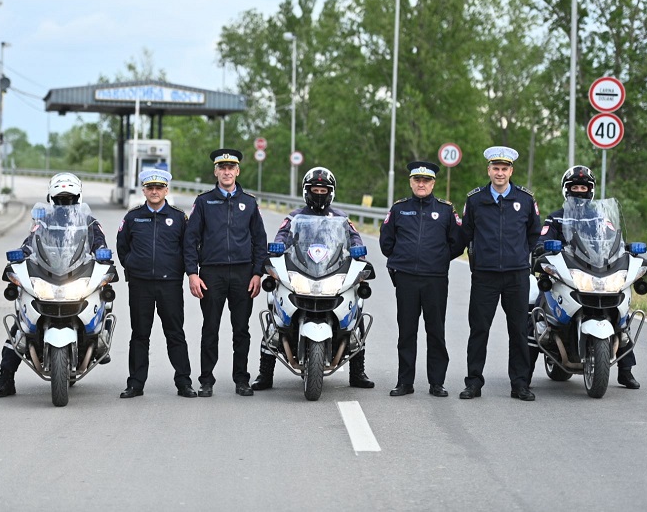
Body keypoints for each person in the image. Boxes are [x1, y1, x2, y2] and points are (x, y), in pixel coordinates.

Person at [252, 166, 375, 391]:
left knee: (356, 313)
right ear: (306, 191)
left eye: (323, 189)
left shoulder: (341, 218)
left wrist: (359, 252)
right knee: (274, 320)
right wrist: (277, 249)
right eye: (315, 189)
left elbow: (354, 238)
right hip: (301, 271)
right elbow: (282, 235)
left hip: (331, 271)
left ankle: (358, 373)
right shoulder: (294, 217)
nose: (319, 193)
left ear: (331, 192)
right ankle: (264, 375)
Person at [0, 172, 108, 398]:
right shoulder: (43, 220)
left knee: (99, 300)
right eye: (61, 199)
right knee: (22, 328)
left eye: (70, 199)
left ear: (78, 198)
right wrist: (21, 255)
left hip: (75, 272)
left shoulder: (90, 221)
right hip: (49, 273)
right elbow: (30, 243)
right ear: (52, 198)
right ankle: (5, 379)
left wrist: (103, 256)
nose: (66, 203)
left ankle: (99, 337)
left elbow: (100, 244)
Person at [528, 165, 640, 388]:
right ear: (567, 190)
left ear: (590, 191)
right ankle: (525, 373)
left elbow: (612, 238)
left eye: (583, 187)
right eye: (575, 186)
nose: (579, 191)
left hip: (595, 272)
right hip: (567, 273)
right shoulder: (556, 218)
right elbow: (542, 240)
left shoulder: (599, 218)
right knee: (534, 307)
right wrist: (542, 248)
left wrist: (625, 251)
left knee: (623, 317)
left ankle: (625, 371)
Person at [459, 146, 541, 402]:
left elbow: (534, 234)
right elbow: (466, 234)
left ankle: (520, 384)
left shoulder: (526, 200)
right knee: (479, 329)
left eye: (504, 169)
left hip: (517, 276)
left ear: (511, 171)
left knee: (518, 330)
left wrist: (520, 256)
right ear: (489, 170)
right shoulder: (475, 200)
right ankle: (473, 382)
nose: (500, 173)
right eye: (496, 168)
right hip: (485, 275)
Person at [184, 148, 268, 397]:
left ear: (238, 171)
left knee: (241, 329)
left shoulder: (249, 202)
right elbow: (191, 240)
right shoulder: (203, 201)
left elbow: (259, 241)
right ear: (216, 171)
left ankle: (241, 379)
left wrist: (257, 273)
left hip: (243, 274)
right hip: (211, 274)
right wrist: (192, 273)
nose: (227, 172)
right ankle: (206, 380)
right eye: (222, 168)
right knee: (210, 328)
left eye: (231, 168)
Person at [379, 161, 465, 398]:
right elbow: (386, 240)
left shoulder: (446, 210)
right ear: (411, 182)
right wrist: (400, 259)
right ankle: (405, 382)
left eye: (426, 181)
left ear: (433, 183)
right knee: (407, 332)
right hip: (406, 279)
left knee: (435, 331)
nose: (421, 184)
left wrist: (439, 259)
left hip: (435, 279)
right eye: (417, 180)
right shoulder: (399, 209)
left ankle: (437, 382)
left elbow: (457, 241)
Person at [116, 169, 197, 399]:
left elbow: (188, 249)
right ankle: (135, 384)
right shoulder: (133, 217)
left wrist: (181, 271)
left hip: (169, 285)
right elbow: (123, 247)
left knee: (175, 334)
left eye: (159, 188)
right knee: (140, 335)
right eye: (150, 188)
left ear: (166, 190)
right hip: (140, 286)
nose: (154, 191)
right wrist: (132, 265)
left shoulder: (179, 218)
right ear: (143, 190)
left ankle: (184, 383)